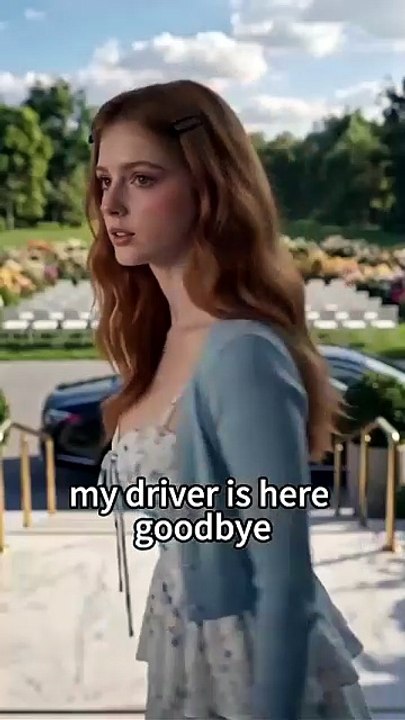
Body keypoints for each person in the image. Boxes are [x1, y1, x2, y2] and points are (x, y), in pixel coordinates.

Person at [87, 79, 372, 719]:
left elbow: (284, 582)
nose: (112, 204)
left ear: (209, 187)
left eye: (142, 178)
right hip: (186, 643)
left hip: (250, 657)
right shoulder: (162, 341)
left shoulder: (242, 352)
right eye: (105, 181)